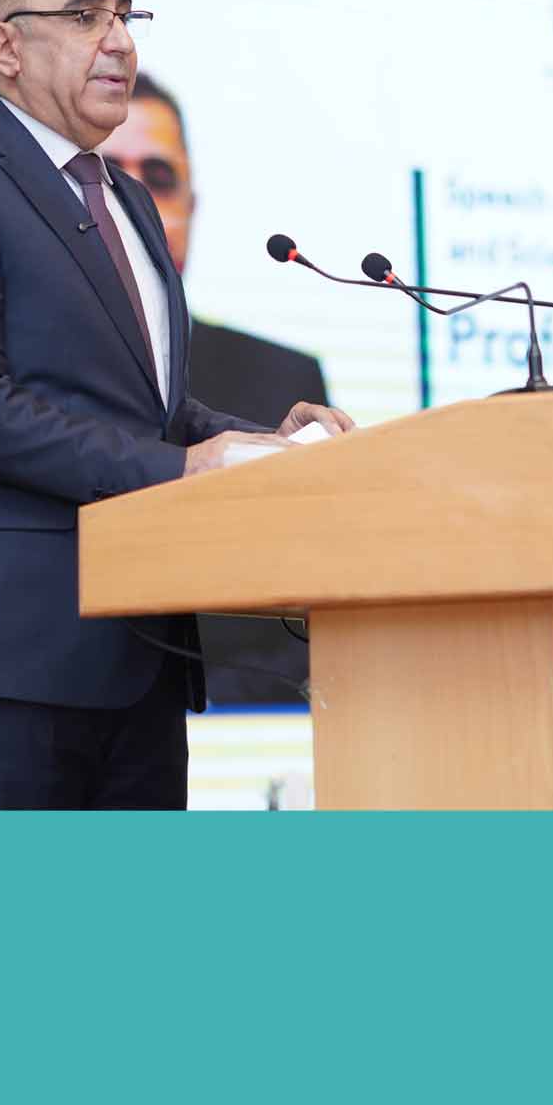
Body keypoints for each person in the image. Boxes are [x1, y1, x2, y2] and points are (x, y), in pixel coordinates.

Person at [0, 0, 352, 809]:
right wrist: (182, 468)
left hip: (140, 654)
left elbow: (146, 406)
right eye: (86, 15)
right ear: (5, 46)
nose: (120, 40)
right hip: (5, 655)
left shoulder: (125, 196)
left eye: (126, 14)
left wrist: (259, 442)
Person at [105, 75, 330, 704]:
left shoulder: (283, 379)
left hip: (239, 712)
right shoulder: (22, 365)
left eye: (158, 179)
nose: (139, 202)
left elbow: (307, 605)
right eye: (111, 178)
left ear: (192, 209)